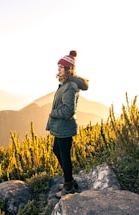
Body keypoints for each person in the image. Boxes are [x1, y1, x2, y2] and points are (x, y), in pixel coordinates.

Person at [46, 50, 89, 198]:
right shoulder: (65, 84)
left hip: (64, 128)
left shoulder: (69, 87)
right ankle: (69, 180)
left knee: (64, 155)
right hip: (61, 128)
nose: (58, 70)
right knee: (57, 151)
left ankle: (69, 187)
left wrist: (53, 113)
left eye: (60, 68)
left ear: (68, 69)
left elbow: (68, 110)